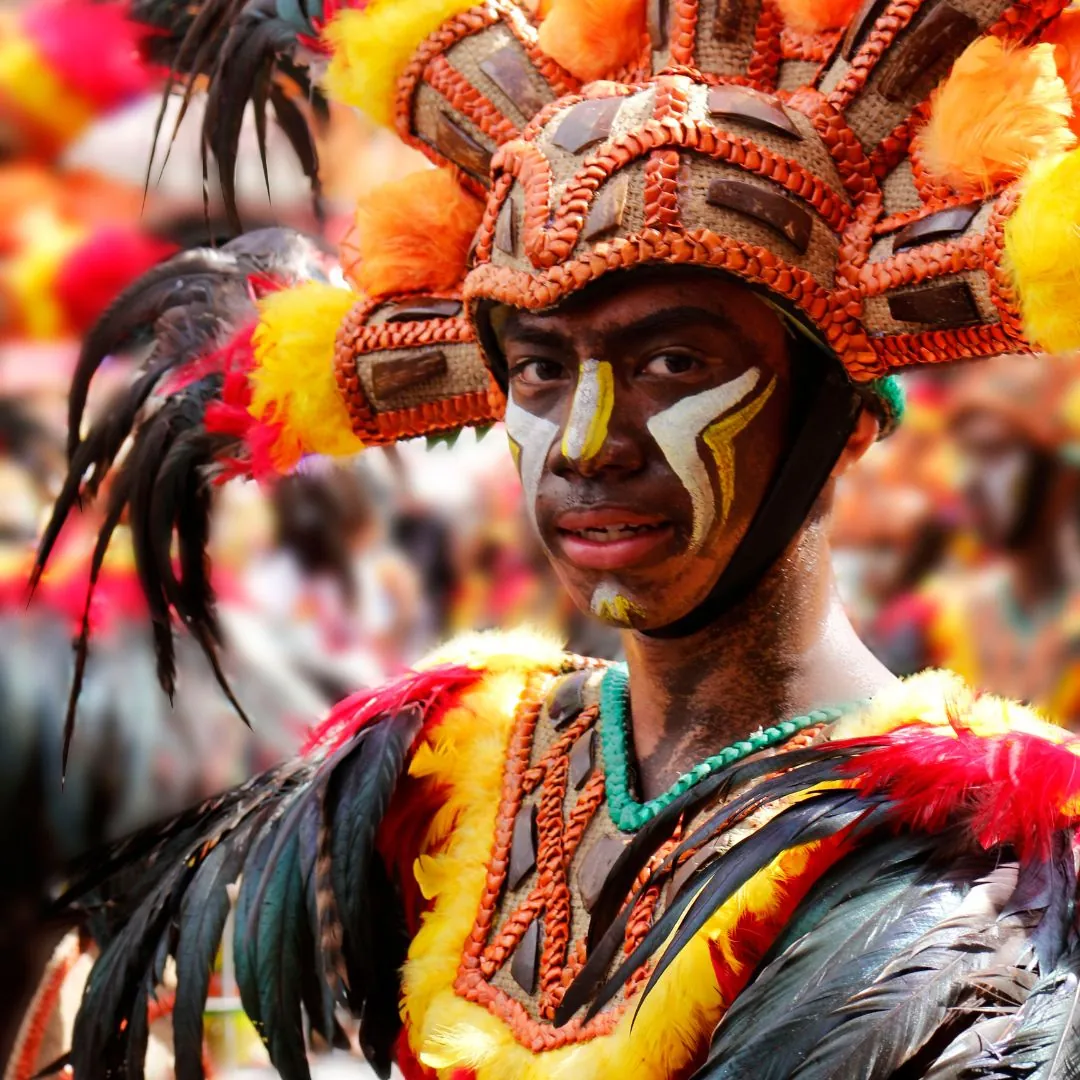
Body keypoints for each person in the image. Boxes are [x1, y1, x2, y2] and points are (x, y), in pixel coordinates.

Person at [28, 1, 1080, 1078]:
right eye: (540, 368)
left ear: (842, 422)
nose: (586, 445)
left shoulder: (982, 850)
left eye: (675, 362)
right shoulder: (442, 769)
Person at [872, 352, 1080, 724]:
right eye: (965, 454)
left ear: (1061, 471)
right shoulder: (928, 623)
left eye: (994, 451)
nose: (969, 480)